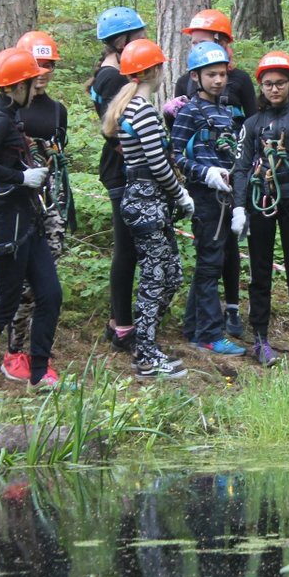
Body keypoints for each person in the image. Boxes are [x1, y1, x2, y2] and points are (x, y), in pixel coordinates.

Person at [0, 47, 64, 397]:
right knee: (5, 302)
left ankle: (38, 374)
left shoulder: (12, 117)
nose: (37, 88)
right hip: (8, 222)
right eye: (31, 83)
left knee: (50, 292)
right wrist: (22, 179)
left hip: (28, 220)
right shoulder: (1, 119)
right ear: (14, 87)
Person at [101, 38, 193, 380]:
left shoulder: (133, 108)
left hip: (148, 201)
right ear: (154, 70)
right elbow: (157, 164)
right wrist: (180, 194)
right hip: (147, 202)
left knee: (172, 274)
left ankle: (145, 340)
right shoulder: (143, 112)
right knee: (155, 277)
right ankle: (145, 354)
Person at [164, 9, 255, 339]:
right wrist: (206, 173)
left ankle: (193, 330)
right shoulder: (188, 112)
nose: (218, 80)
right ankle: (211, 335)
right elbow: (176, 155)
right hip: (204, 196)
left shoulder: (223, 110)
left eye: (221, 75)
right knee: (209, 263)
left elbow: (229, 149)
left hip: (225, 196)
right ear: (196, 77)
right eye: (210, 75)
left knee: (213, 261)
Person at [230, 51, 289, 365]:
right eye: (268, 84)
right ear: (261, 86)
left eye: (280, 83)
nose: (274, 89)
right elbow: (242, 167)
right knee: (260, 272)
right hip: (263, 201)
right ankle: (260, 338)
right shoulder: (253, 124)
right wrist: (240, 208)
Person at [1, 31, 73, 383]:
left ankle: (36, 353)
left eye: (48, 65)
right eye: (37, 64)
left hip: (51, 206)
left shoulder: (57, 110)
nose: (42, 71)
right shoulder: (10, 109)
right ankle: (14, 351)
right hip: (18, 205)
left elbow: (60, 159)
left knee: (46, 283)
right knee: (21, 282)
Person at [89, 6, 148, 353]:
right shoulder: (112, 79)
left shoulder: (109, 74)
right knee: (126, 250)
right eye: (137, 35)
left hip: (119, 168)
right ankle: (122, 324)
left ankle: (119, 320)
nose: (142, 40)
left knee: (128, 249)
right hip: (120, 169)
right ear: (120, 41)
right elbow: (119, 130)